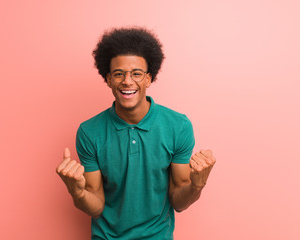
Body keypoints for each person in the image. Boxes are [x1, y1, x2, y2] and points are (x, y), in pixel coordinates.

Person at [56, 27, 216, 240]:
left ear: (148, 79)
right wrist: (77, 192)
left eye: (136, 74)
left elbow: (179, 201)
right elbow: (96, 205)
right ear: (109, 79)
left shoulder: (178, 126)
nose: (127, 81)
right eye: (119, 74)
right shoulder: (89, 132)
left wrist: (197, 184)